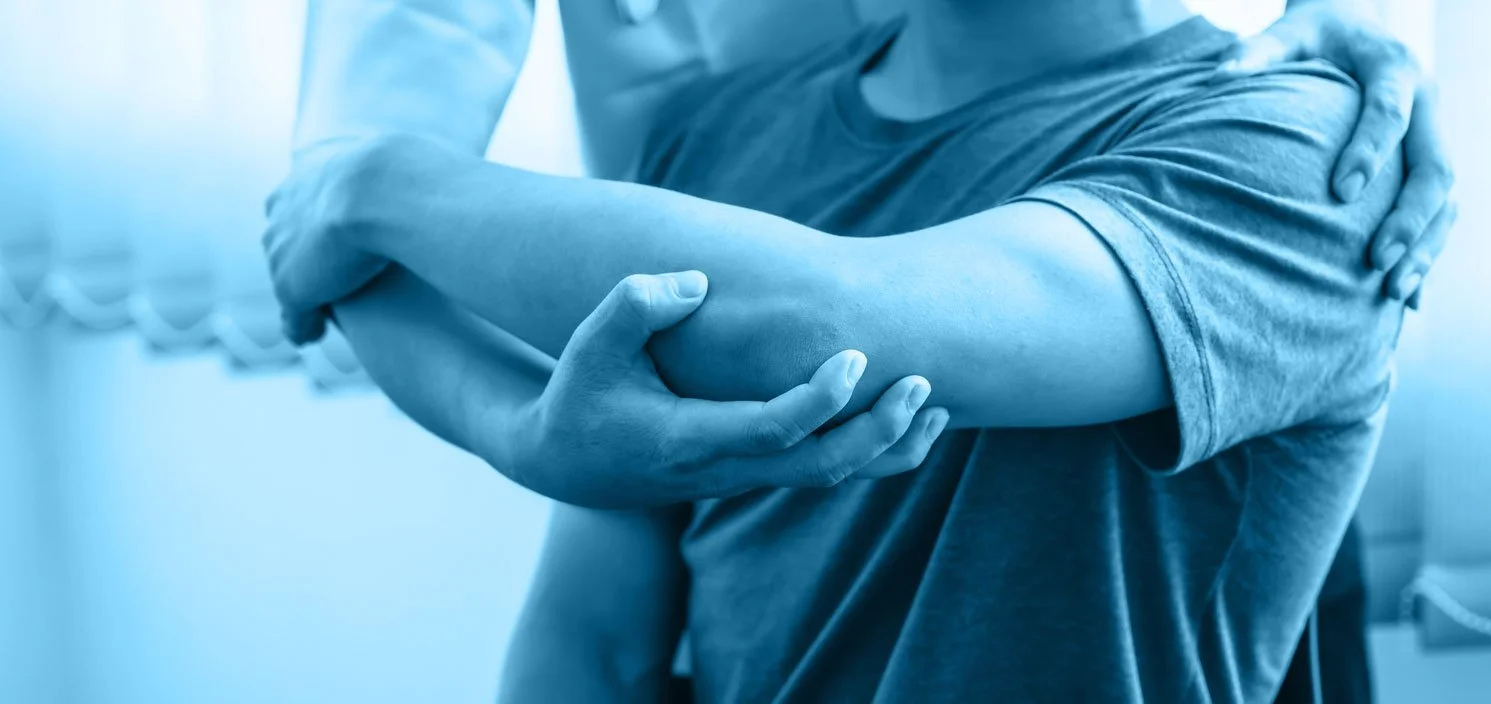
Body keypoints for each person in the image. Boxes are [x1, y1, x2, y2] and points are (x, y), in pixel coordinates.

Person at [268, 1, 1456, 701]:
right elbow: (596, 635)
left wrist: (374, 182)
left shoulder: (1304, 147)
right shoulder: (717, 137)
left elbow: (838, 325)